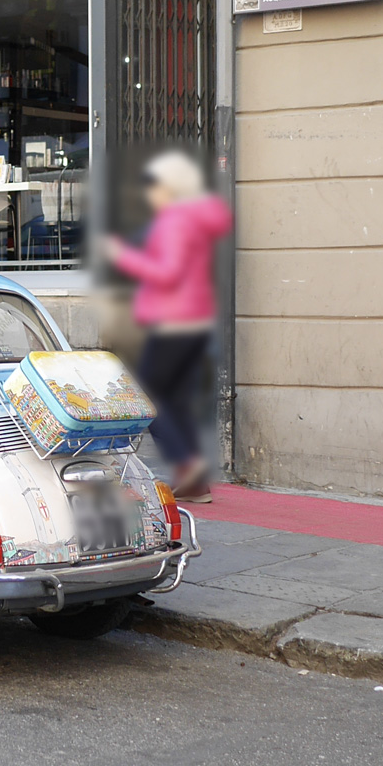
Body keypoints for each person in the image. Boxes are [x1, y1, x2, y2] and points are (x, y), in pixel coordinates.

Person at [106, 151, 232, 503]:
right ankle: (194, 481)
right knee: (175, 400)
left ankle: (188, 469)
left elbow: (167, 273)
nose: (151, 194)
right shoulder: (194, 221)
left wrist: (124, 257)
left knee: (148, 398)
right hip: (193, 322)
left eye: (155, 186)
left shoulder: (174, 222)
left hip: (172, 323)